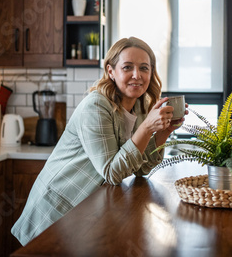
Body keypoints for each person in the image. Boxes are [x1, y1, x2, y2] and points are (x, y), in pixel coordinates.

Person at [11, 37, 187, 246]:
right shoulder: (96, 106)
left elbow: (142, 168)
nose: (137, 75)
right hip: (56, 210)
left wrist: (163, 132)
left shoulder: (140, 107)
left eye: (144, 68)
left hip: (85, 211)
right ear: (111, 71)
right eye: (127, 67)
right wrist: (147, 127)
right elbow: (112, 172)